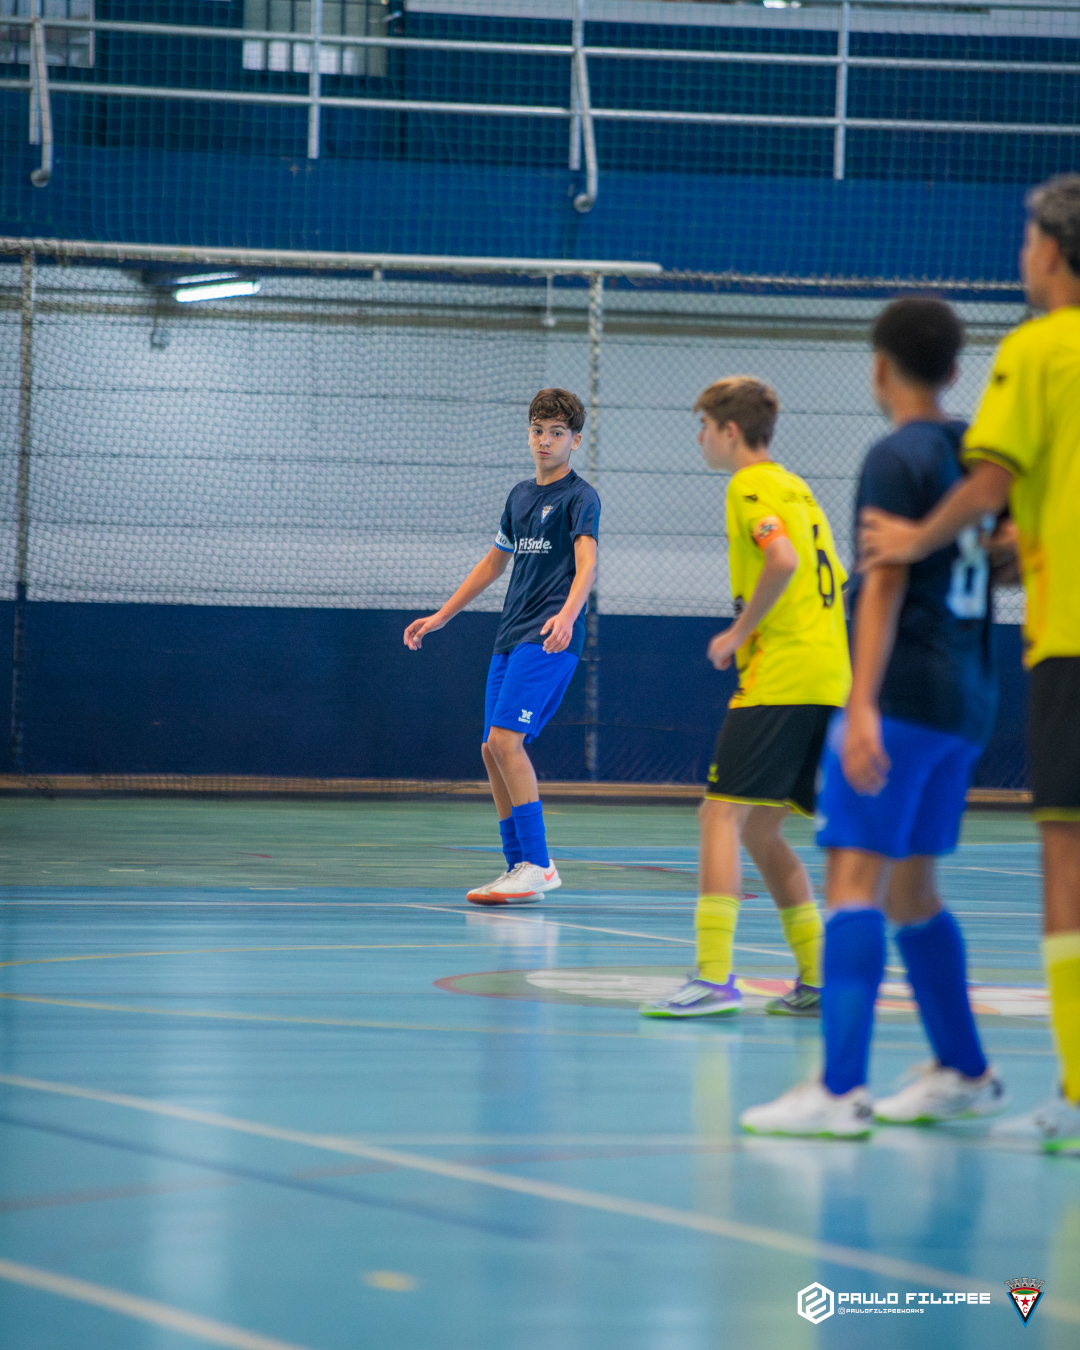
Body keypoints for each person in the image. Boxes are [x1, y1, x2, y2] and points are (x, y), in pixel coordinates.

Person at [740, 298, 1010, 1138]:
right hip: (969, 696)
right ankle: (965, 1071)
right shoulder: (978, 455)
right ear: (955, 370)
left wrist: (859, 705)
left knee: (855, 885)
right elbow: (1005, 557)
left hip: (902, 697)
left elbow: (885, 579)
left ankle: (839, 1089)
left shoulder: (895, 456)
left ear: (880, 367)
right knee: (914, 890)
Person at [859, 175, 1080, 1154]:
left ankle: (1075, 1091)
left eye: (1029, 241)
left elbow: (989, 487)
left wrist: (916, 540)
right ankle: (971, 1068)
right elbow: (1021, 524)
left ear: (1052, 252)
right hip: (1017, 646)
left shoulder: (1038, 348)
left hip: (1063, 643)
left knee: (1065, 858)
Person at [642, 377, 851, 1020]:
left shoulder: (749, 485)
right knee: (762, 829)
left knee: (718, 817)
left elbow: (782, 559)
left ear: (729, 431)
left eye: (703, 426)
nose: (700, 438)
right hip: (828, 674)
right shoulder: (799, 489)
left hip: (782, 675)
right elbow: (833, 576)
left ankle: (712, 978)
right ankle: (820, 978)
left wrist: (739, 632)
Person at [404, 388, 599, 905]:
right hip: (510, 635)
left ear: (575, 441)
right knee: (491, 747)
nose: (545, 440)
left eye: (557, 433)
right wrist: (441, 616)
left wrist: (567, 615)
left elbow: (587, 564)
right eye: (538, 430)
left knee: (507, 741)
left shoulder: (581, 498)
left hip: (549, 634)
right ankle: (517, 865)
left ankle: (539, 864)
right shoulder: (518, 497)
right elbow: (493, 563)